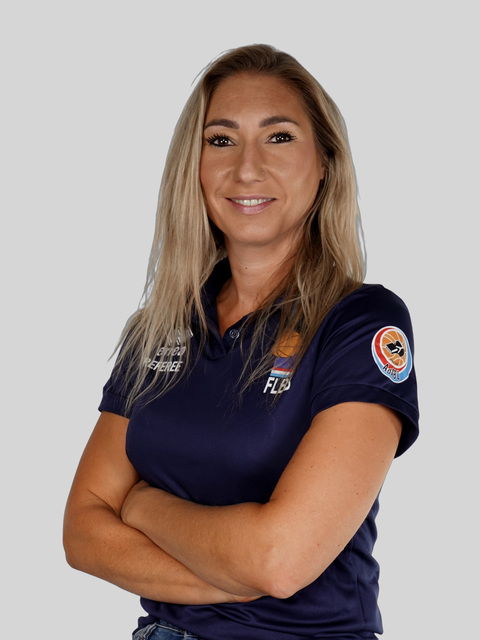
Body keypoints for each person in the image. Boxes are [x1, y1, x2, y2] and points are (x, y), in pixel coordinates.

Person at [63, 44, 419, 640]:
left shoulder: (361, 323)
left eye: (279, 137)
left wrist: (144, 506)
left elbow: (279, 561)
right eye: (221, 140)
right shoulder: (161, 327)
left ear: (325, 162)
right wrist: (235, 574)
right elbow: (82, 531)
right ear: (194, 166)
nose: (247, 168)